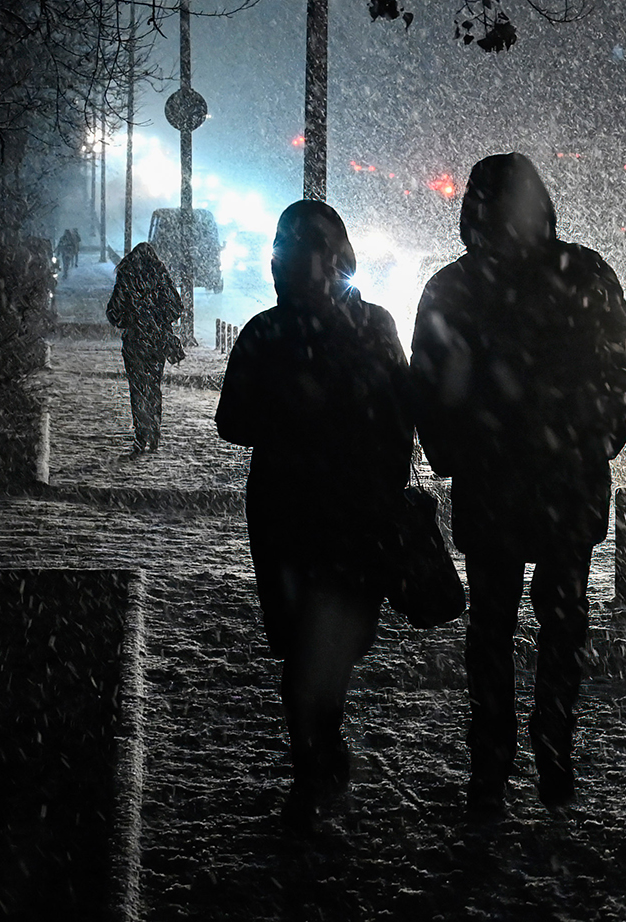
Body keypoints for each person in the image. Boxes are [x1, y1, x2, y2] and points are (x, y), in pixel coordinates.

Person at [412, 153, 626, 811]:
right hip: (562, 480)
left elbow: (429, 386)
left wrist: (457, 448)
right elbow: (624, 372)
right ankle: (549, 749)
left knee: (495, 627)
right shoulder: (583, 274)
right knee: (558, 624)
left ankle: (499, 757)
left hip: (502, 481)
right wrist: (589, 438)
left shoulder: (454, 288)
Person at [215, 201, 413, 818]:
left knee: (310, 640)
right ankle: (319, 747)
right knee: (320, 640)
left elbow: (233, 421)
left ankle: (315, 752)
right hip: (337, 513)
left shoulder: (267, 332)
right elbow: (401, 418)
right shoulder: (371, 326)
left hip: (297, 512)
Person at [105, 242, 184, 455]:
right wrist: (159, 319)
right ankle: (155, 430)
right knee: (153, 385)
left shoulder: (127, 276)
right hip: (157, 341)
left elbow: (113, 311)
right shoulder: (161, 276)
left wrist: (130, 320)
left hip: (135, 342)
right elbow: (177, 308)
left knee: (138, 388)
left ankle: (141, 435)